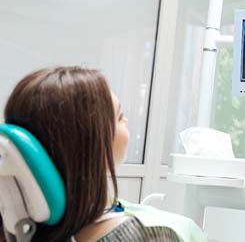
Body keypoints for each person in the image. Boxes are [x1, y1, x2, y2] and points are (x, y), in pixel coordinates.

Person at [0, 67, 202, 242]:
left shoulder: (18, 227)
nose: (127, 121)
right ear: (87, 147)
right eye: (120, 116)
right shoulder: (145, 236)